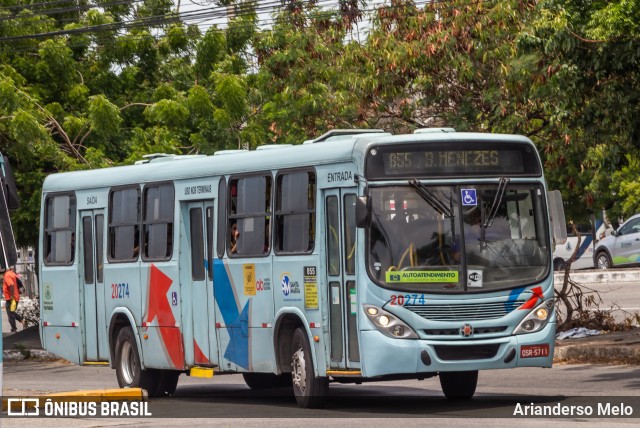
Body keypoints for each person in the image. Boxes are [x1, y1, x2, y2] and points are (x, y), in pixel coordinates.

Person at [2, 265, 25, 333]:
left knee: (10, 314)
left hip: (11, 298)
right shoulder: (12, 273)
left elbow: (11, 285)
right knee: (11, 313)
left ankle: (14, 329)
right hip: (15, 297)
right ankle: (22, 321)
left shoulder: (7, 275)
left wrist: (11, 296)